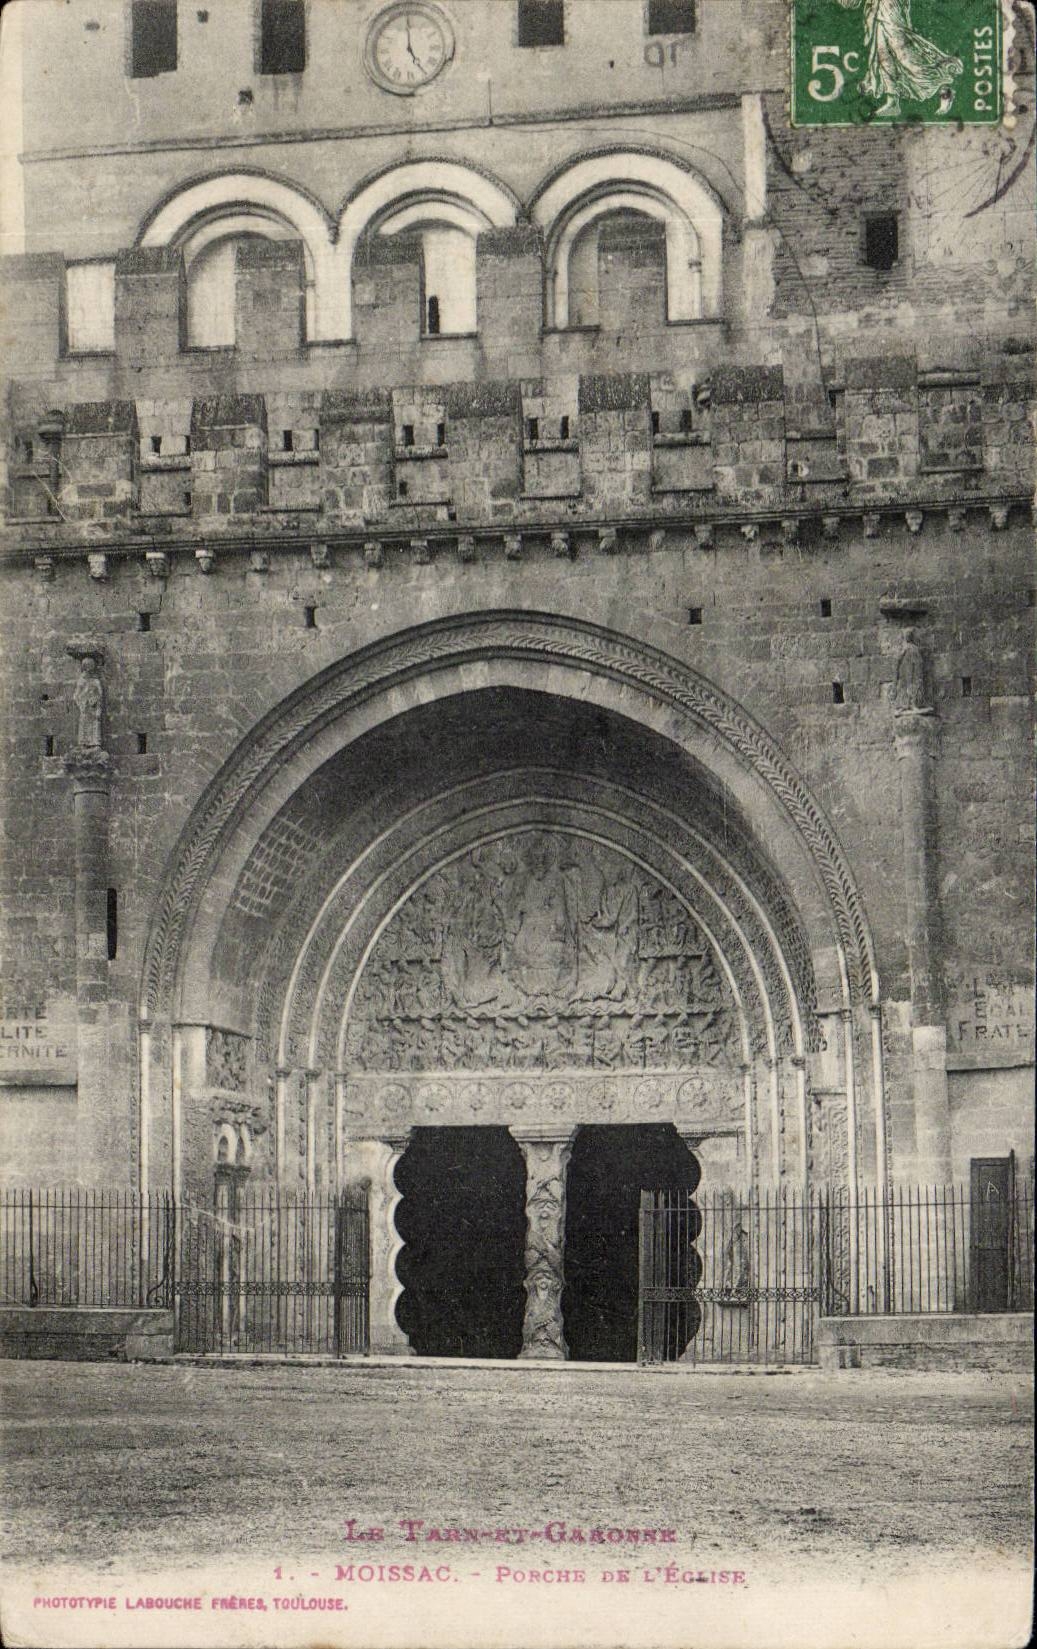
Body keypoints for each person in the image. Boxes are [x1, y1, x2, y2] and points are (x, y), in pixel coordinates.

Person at [838, 0, 963, 118]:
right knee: (883, 53)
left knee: (904, 55)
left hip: (891, 7)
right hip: (878, 7)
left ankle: (945, 87)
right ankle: (892, 102)